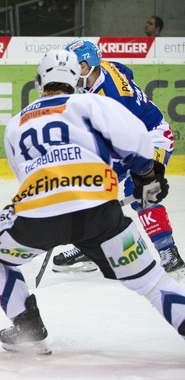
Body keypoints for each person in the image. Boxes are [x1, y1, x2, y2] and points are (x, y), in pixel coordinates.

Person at [0, 49, 185, 354]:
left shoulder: (15, 123)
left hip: (38, 219)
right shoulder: (92, 103)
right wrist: (147, 176)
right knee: (152, 283)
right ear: (76, 78)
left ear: (39, 81)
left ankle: (28, 327)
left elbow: (25, 176)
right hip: (101, 217)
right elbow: (137, 142)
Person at [51, 39, 184, 278]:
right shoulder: (102, 69)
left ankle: (169, 253)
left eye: (72, 66)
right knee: (93, 187)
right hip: (127, 134)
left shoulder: (111, 97)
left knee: (141, 187)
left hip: (151, 136)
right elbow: (125, 71)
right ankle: (91, 247)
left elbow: (121, 140)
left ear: (85, 65)